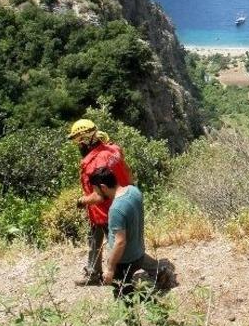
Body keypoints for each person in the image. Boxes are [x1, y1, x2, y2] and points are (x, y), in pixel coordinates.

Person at [87, 167, 176, 298]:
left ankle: (144, 306)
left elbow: (120, 242)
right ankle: (156, 284)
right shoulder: (134, 191)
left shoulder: (116, 209)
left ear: (103, 187)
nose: (95, 194)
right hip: (138, 252)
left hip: (125, 261)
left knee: (123, 296)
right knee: (129, 292)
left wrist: (110, 268)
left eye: (96, 190)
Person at [67, 119, 131, 287]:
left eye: (78, 141)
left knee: (118, 245)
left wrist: (81, 201)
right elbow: (127, 170)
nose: (78, 145)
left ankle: (155, 270)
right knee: (94, 238)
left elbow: (99, 196)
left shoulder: (94, 163)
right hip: (116, 203)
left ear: (85, 140)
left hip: (107, 210)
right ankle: (93, 273)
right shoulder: (113, 150)